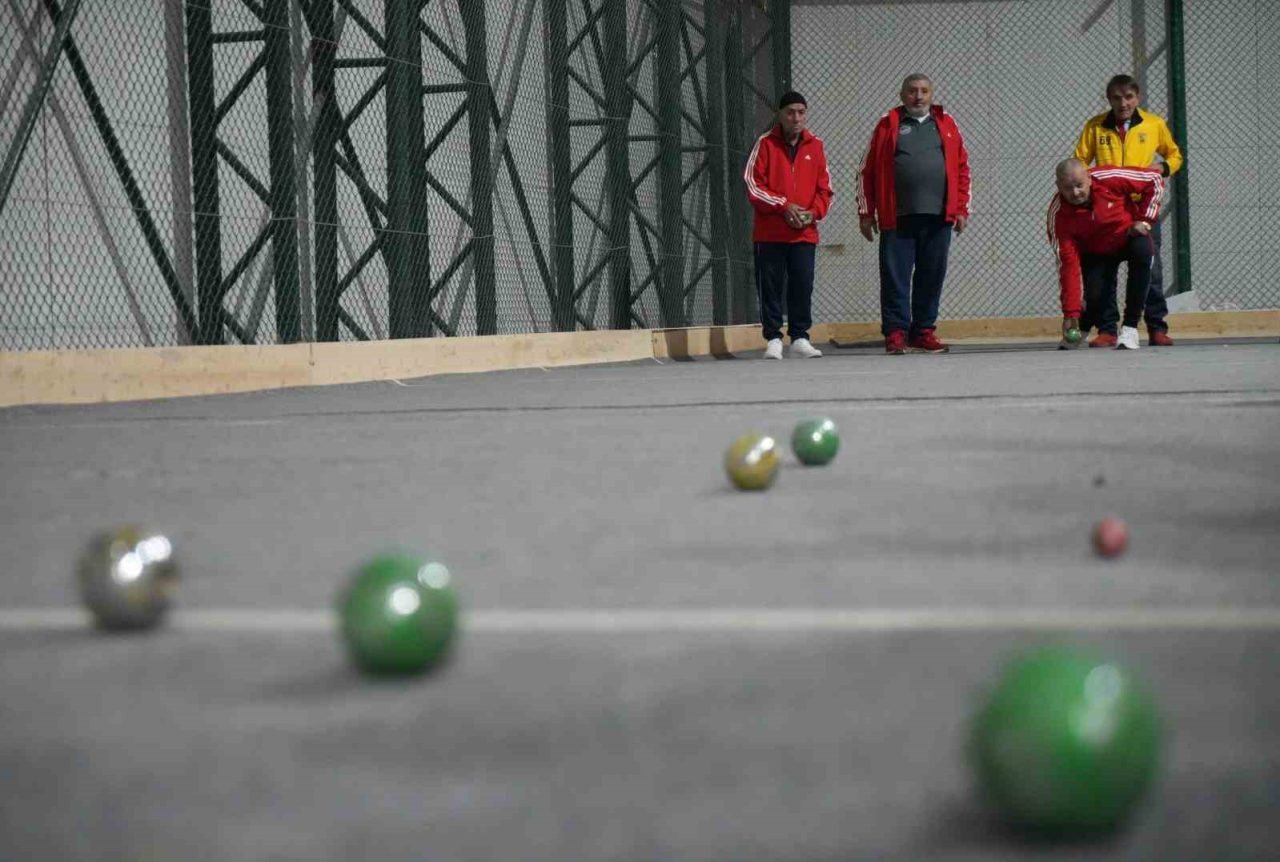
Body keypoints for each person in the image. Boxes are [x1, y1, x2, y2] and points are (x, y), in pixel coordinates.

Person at [857, 74, 971, 354]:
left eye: (924, 91)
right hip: (897, 217)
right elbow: (865, 170)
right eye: (912, 91)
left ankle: (923, 332)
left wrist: (961, 208)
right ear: (901, 94)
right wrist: (865, 212)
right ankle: (896, 332)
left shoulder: (947, 124)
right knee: (895, 276)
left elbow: (962, 168)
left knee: (931, 275)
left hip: (938, 216)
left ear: (932, 94)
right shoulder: (887, 124)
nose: (918, 96)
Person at [1075, 74, 1184, 346]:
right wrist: (1091, 189)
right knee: (1105, 266)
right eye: (1116, 98)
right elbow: (1079, 161)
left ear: (1138, 97)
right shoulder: (1096, 126)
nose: (1123, 103)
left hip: (1142, 206)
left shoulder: (1154, 124)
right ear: (1109, 99)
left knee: (1151, 266)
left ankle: (1156, 326)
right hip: (1109, 210)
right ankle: (1108, 329)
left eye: (1128, 97)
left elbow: (1174, 155)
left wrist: (1163, 167)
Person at [744, 90, 833, 359]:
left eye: (801, 112)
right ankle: (773, 338)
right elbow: (752, 184)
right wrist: (784, 207)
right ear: (780, 115)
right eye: (790, 112)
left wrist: (812, 213)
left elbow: (826, 190)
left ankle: (800, 337)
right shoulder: (765, 144)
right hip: (770, 233)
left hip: (804, 233)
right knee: (770, 285)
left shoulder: (816, 146)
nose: (796, 117)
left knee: (802, 284)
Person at [1048, 159, 1163, 351]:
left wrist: (1144, 220)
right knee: (1094, 295)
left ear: (1089, 178)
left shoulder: (1110, 178)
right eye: (1068, 188)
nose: (1075, 193)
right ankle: (1080, 325)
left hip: (1127, 236)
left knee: (1144, 249)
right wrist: (1070, 314)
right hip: (1095, 251)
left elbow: (1155, 179)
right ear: (1058, 186)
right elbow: (1068, 265)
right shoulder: (1058, 215)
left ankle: (1130, 328)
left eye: (1079, 185)